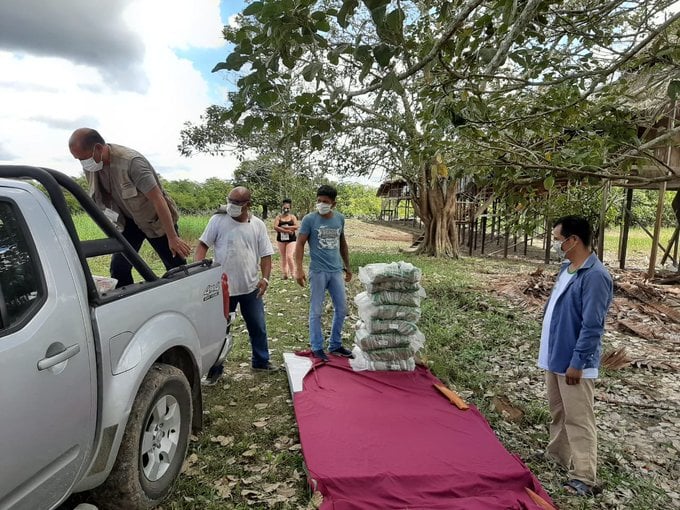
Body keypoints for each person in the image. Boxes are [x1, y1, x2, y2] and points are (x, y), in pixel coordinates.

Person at [538, 215, 613, 497]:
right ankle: (557, 455)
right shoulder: (566, 269)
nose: (556, 244)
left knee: (579, 419)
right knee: (559, 412)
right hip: (555, 355)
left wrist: (578, 362)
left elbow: (593, 325)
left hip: (574, 363)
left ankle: (585, 476)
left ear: (573, 241)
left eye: (558, 240)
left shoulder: (595, 276)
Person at [68, 128, 191, 287]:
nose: (83, 164)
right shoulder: (93, 166)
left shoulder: (131, 162)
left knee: (176, 266)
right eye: (78, 160)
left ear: (98, 148)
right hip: (127, 222)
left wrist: (172, 237)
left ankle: (185, 295)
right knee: (119, 268)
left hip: (155, 220)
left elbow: (158, 199)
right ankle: (127, 304)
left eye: (84, 158)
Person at [195, 186, 277, 382]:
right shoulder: (218, 220)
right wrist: (199, 273)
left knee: (258, 326)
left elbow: (266, 255)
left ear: (248, 204)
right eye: (229, 200)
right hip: (223, 289)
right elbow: (202, 246)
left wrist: (265, 279)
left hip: (250, 288)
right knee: (220, 330)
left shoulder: (257, 225)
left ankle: (261, 362)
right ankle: (215, 369)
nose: (231, 205)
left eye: (237, 203)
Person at [295, 185, 353, 362]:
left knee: (342, 308)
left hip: (335, 271)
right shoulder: (309, 220)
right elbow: (299, 244)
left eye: (325, 202)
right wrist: (298, 268)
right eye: (319, 201)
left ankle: (335, 344)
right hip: (318, 271)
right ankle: (317, 346)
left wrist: (347, 266)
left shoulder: (339, 219)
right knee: (316, 310)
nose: (321, 204)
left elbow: (342, 243)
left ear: (333, 204)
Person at [273, 198, 298, 279]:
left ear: (290, 209)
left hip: (291, 239)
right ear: (282, 208)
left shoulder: (292, 217)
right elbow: (275, 227)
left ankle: (293, 273)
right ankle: (285, 274)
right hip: (281, 239)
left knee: (289, 256)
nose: (286, 209)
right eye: (284, 208)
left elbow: (296, 226)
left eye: (288, 208)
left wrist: (288, 227)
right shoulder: (278, 217)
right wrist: (286, 231)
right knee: (283, 256)